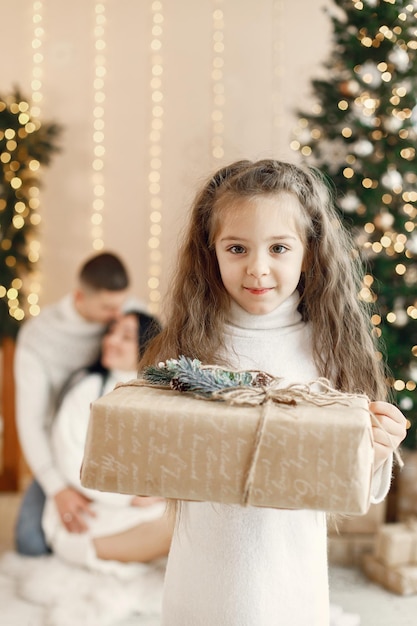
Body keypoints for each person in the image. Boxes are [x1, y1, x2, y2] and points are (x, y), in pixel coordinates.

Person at [138, 159, 408, 625]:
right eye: (237, 248)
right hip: (202, 580)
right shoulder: (188, 347)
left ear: (310, 251)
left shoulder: (328, 349)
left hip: (289, 581)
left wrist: (378, 450)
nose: (257, 269)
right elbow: (156, 458)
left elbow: (350, 485)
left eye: (279, 248)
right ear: (211, 252)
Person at [14, 251, 143, 556]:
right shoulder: (38, 338)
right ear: (79, 297)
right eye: (108, 308)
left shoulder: (130, 314)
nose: (117, 316)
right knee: (31, 541)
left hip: (117, 444)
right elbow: (30, 422)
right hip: (61, 448)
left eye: (121, 304)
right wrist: (57, 487)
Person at [41, 310, 173, 576]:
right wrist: (130, 499)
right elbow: (69, 462)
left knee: (191, 516)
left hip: (139, 506)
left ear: (146, 347)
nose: (111, 341)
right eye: (111, 332)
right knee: (174, 527)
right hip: (88, 510)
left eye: (125, 337)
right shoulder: (87, 389)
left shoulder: (158, 395)